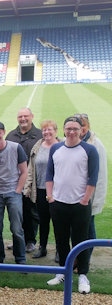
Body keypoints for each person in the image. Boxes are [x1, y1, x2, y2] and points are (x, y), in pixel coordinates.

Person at [45, 116, 99, 294]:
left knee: (80, 241)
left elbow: (93, 177)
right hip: (58, 203)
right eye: (68, 128)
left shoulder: (89, 150)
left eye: (75, 128)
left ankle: (83, 275)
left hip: (79, 204)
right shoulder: (56, 148)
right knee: (61, 240)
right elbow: (49, 174)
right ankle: (62, 272)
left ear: (81, 130)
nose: (71, 132)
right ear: (63, 130)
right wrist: (50, 196)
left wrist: (85, 200)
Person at [0, 121, 27, 265]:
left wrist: (18, 190)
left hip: (12, 191)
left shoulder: (16, 148)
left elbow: (24, 171)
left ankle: (20, 258)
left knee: (16, 228)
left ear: (3, 132)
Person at [6, 108, 43, 254]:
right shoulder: (11, 135)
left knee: (31, 212)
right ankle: (18, 240)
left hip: (33, 181)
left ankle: (30, 241)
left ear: (32, 117)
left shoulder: (39, 135)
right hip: (14, 180)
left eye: (26, 116)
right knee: (15, 213)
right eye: (20, 116)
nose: (23, 119)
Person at [75, 113, 107, 269]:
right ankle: (78, 257)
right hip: (74, 194)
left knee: (88, 228)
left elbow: (100, 175)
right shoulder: (73, 142)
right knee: (77, 228)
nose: (80, 129)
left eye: (83, 126)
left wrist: (94, 198)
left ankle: (85, 260)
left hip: (89, 195)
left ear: (87, 127)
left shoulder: (96, 144)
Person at [23, 120, 59, 259]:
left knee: (58, 223)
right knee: (43, 221)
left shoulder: (60, 147)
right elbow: (31, 169)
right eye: (44, 130)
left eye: (49, 129)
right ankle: (42, 248)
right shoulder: (38, 147)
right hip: (40, 190)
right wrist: (28, 187)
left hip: (57, 191)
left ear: (55, 131)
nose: (46, 132)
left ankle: (59, 250)